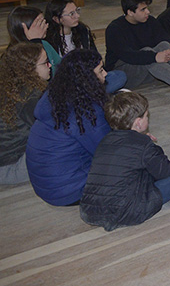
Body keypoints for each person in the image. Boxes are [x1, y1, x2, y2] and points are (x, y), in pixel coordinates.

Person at [79, 91, 170, 231]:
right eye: (146, 116)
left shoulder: (105, 141)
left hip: (89, 211)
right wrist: (151, 146)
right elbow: (168, 172)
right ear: (138, 123)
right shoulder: (143, 145)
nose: (148, 119)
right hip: (127, 211)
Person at [25, 49, 118, 206]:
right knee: (134, 164)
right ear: (87, 78)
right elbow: (108, 150)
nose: (106, 73)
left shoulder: (53, 96)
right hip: (70, 191)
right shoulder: (86, 112)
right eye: (101, 70)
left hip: (48, 188)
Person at [44, 0, 127, 92]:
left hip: (89, 76)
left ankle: (91, 93)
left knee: (119, 76)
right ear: (56, 19)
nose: (77, 16)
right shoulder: (49, 40)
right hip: (68, 82)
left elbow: (95, 56)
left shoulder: (82, 30)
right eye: (71, 14)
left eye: (77, 11)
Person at [0, 42, 49, 185]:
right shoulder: (30, 98)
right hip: (12, 167)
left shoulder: (12, 88)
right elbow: (55, 130)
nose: (50, 65)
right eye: (45, 63)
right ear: (29, 69)